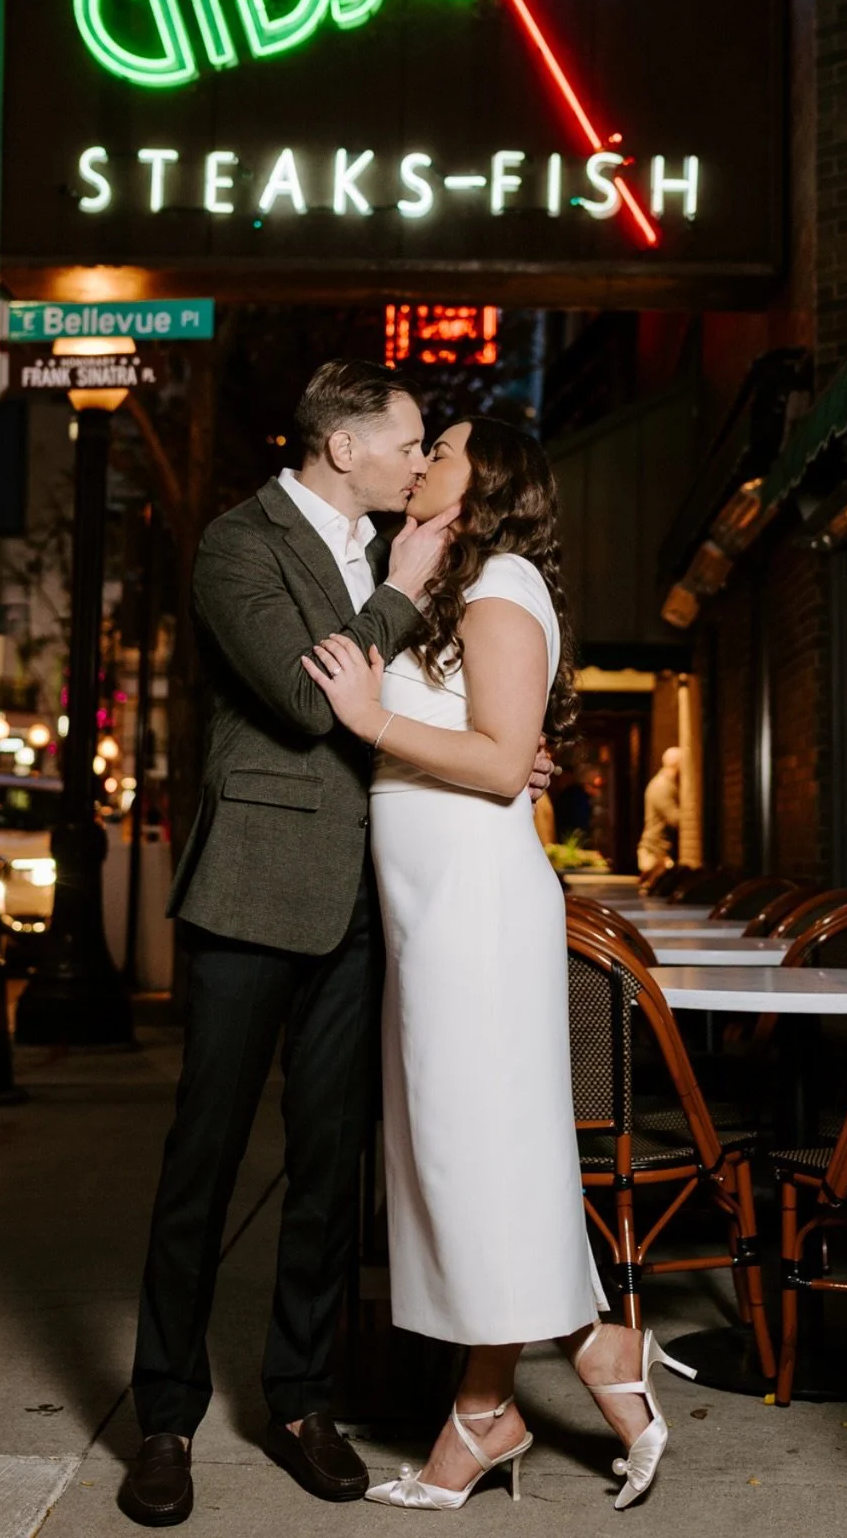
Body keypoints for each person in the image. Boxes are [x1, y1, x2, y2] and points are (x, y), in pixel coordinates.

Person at [304, 417, 693, 1514]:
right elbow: (498, 746)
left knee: (474, 1155)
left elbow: (492, 763)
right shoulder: (453, 590)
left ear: (492, 484)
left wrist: (370, 718)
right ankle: (533, 1386)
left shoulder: (504, 584)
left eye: (446, 452)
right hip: (435, 911)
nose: (422, 462)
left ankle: (532, 1389)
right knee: (461, 1159)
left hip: (476, 911)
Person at [121, 361, 462, 1528]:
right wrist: (404, 592)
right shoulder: (239, 544)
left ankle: (303, 1401)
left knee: (328, 1171)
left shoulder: (393, 546)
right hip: (255, 892)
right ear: (341, 446)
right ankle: (164, 1417)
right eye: (408, 443)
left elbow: (405, 713)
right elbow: (312, 702)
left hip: (372, 896)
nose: (421, 462)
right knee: (202, 1164)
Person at [636, 745, 681, 883]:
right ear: (676, 764)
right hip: (656, 854)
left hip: (659, 852)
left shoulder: (668, 784)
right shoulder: (662, 786)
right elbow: (675, 819)